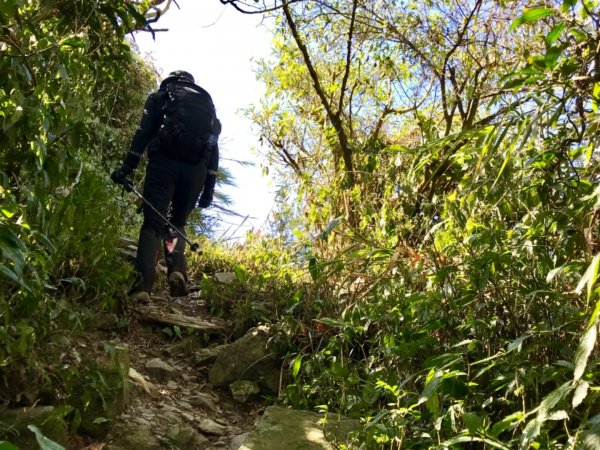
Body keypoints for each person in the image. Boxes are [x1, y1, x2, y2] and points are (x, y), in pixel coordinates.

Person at [111, 70, 220, 303]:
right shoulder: (206, 105)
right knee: (177, 222)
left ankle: (143, 288)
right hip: (196, 170)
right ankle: (177, 268)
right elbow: (213, 149)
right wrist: (208, 188)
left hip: (164, 164)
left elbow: (144, 133)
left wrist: (126, 167)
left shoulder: (160, 97)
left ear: (169, 81)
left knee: (154, 223)